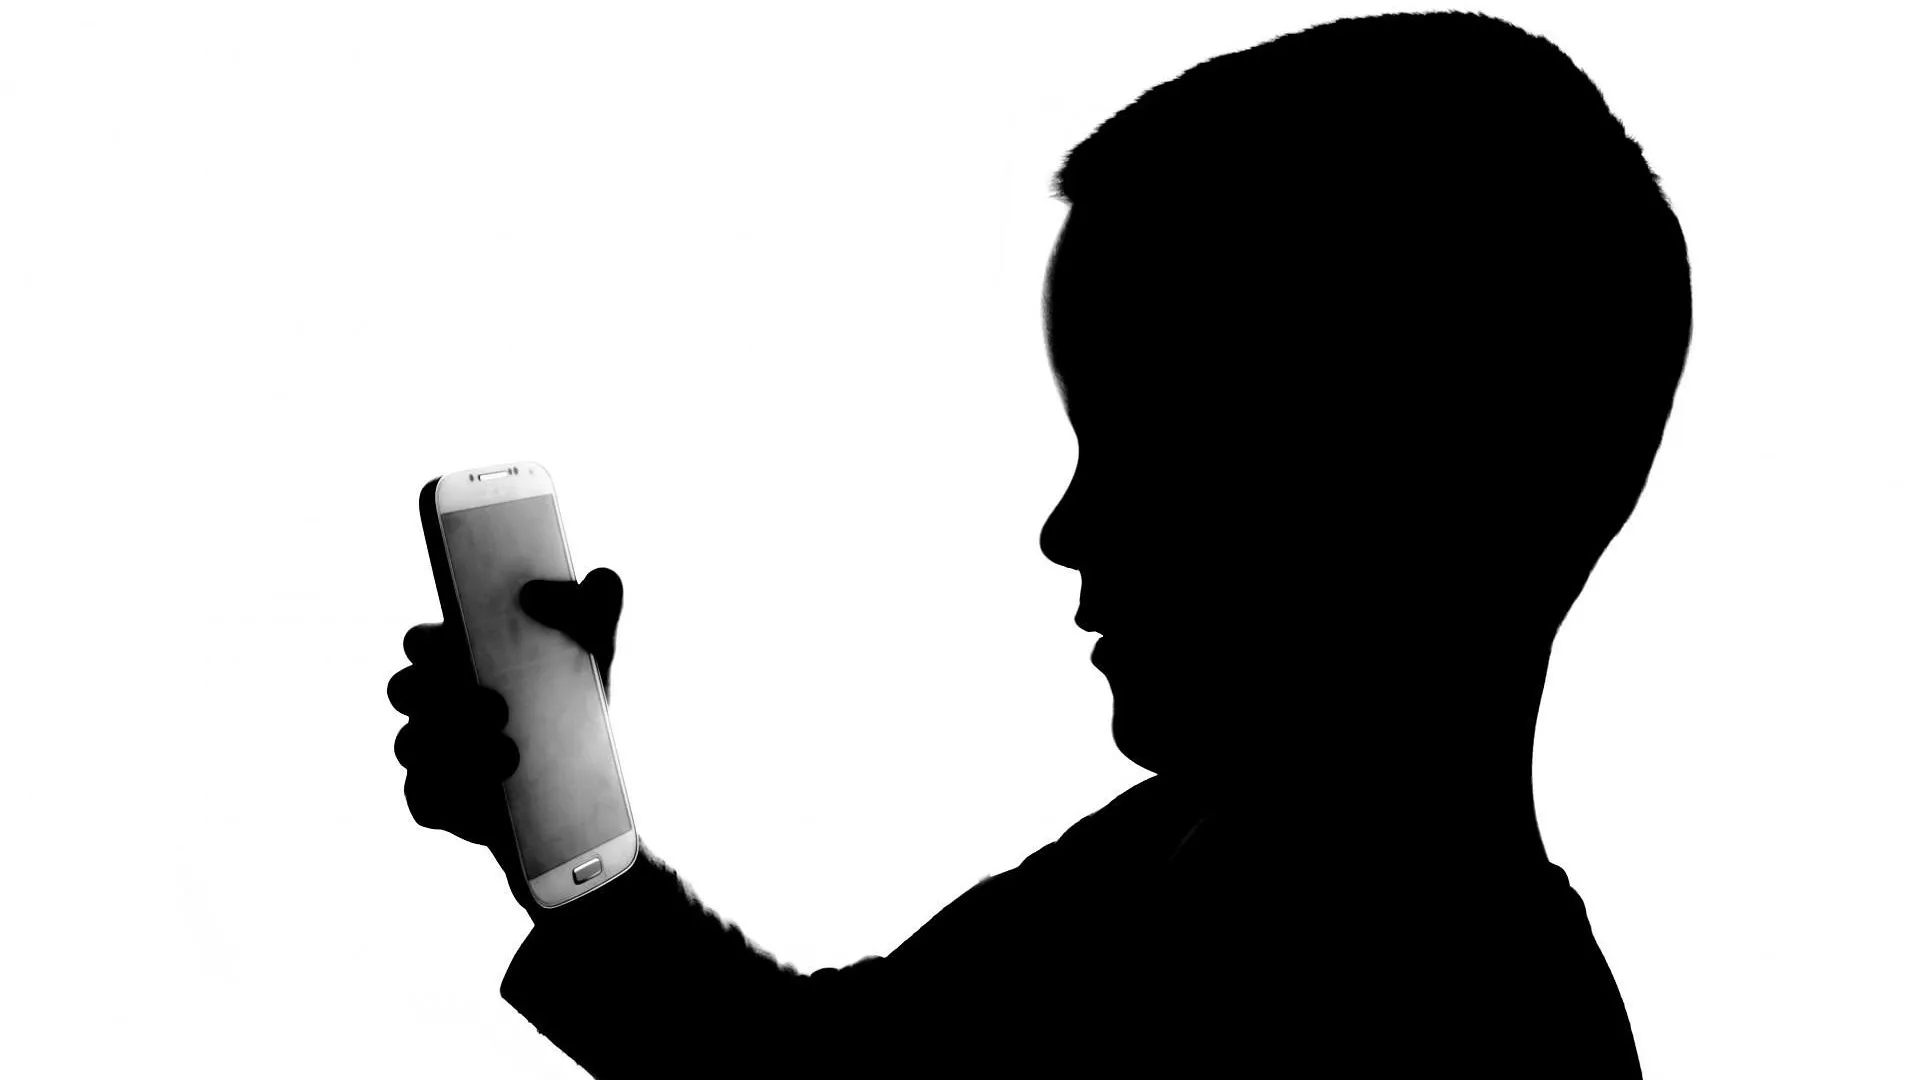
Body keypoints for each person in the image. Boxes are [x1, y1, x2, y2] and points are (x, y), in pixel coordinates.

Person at [387, 12, 1690, 1074]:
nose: (1067, 531)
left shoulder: (1477, 1031)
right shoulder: (1171, 855)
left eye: (1151, 451)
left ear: (1392, 488)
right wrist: (581, 864)